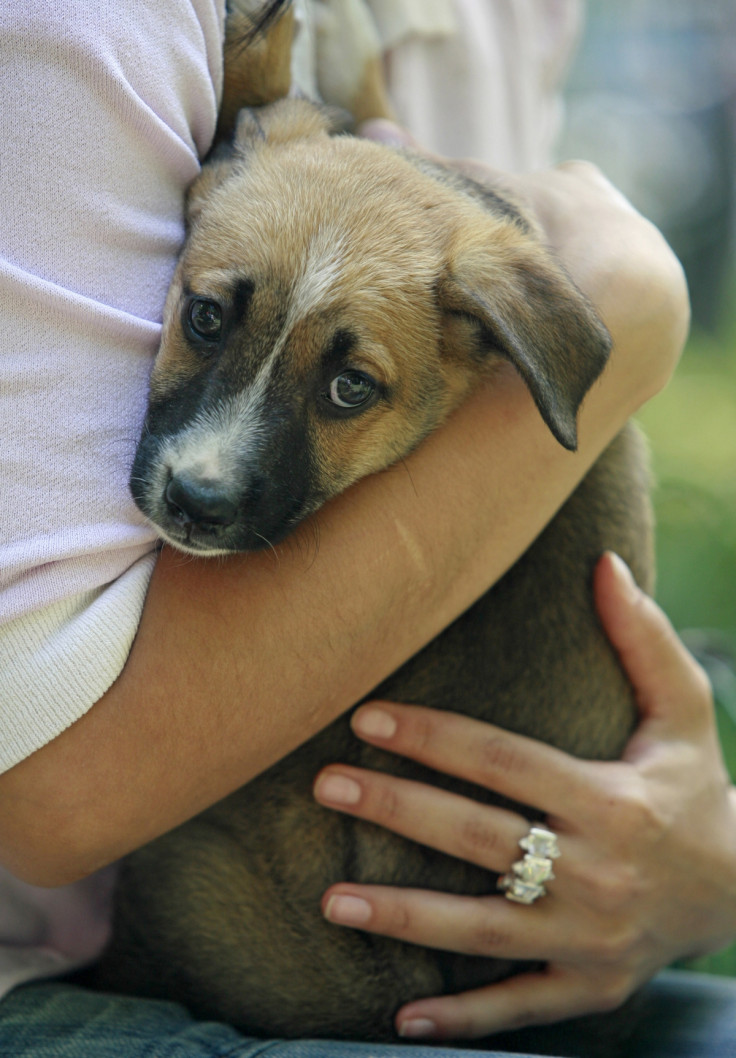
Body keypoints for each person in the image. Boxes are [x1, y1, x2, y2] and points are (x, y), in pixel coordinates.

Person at [2, 2, 732, 1057]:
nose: (206, 469)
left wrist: (712, 857)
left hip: (424, 954)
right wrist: (630, 302)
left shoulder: (516, 20)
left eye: (347, 387)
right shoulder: (93, 31)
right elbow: (53, 795)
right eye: (206, 320)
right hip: (147, 967)